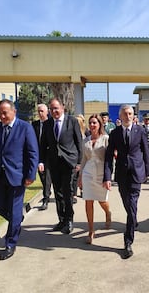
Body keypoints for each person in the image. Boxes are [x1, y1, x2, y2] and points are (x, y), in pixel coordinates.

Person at [0, 99, 38, 260]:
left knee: (14, 210)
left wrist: (31, 175)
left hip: (17, 177)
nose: (2, 116)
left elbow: (32, 153)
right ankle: (16, 222)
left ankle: (10, 244)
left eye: (5, 112)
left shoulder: (25, 128)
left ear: (14, 112)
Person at [103, 104, 149, 259]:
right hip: (122, 174)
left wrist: (147, 172)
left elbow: (146, 152)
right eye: (125, 114)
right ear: (121, 116)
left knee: (132, 203)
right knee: (127, 203)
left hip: (137, 172)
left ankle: (128, 242)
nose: (128, 116)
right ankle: (133, 219)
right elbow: (109, 156)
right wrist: (107, 176)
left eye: (130, 113)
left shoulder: (140, 131)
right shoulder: (115, 133)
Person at [39, 98, 83, 234]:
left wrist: (79, 162)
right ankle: (62, 219)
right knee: (57, 192)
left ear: (62, 108)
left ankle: (69, 219)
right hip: (54, 163)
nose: (54, 111)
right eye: (51, 109)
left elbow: (79, 143)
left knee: (67, 192)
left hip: (69, 162)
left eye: (56, 108)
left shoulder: (72, 121)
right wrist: (41, 161)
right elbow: (42, 145)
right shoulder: (47, 124)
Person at [78, 114, 111, 244]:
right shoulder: (85, 140)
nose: (92, 125)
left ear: (99, 125)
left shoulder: (106, 139)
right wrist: (80, 177)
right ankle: (91, 231)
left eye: (95, 123)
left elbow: (110, 159)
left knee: (102, 200)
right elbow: (84, 159)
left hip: (101, 173)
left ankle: (108, 213)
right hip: (87, 173)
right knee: (88, 201)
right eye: (90, 123)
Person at [32, 103, 52, 210]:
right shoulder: (34, 124)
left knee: (47, 176)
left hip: (49, 154)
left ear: (47, 112)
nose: (40, 113)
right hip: (38, 154)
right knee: (43, 177)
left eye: (42, 111)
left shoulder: (51, 123)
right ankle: (47, 191)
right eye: (38, 111)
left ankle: (46, 199)